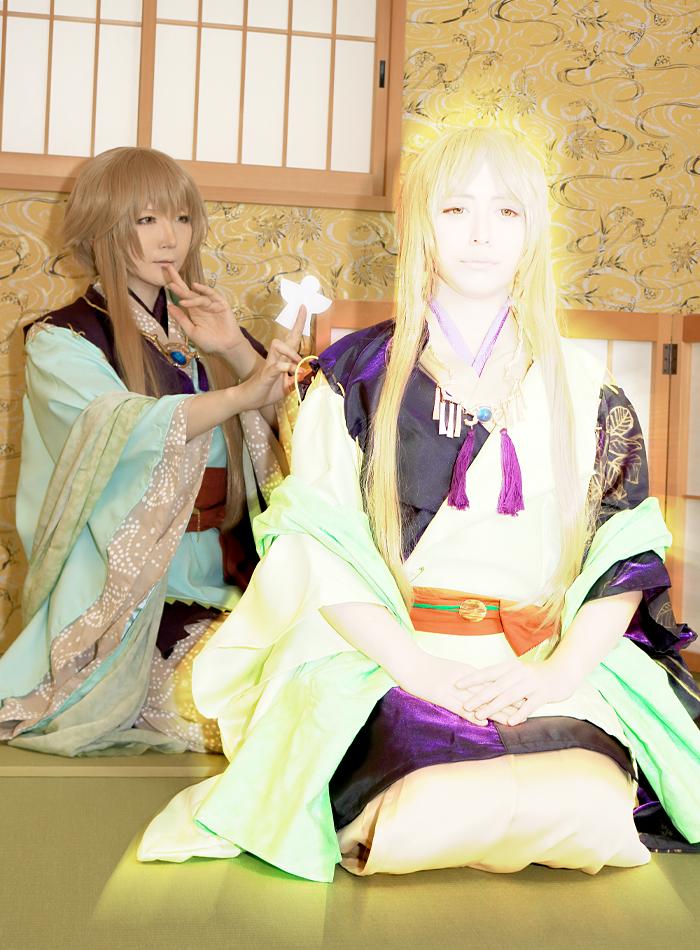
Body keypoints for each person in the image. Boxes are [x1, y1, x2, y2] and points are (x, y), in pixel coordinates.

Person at [138, 128, 700, 880]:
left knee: (586, 805)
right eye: (455, 209)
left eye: (507, 212)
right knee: (428, 809)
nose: (481, 233)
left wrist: (559, 674)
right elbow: (316, 549)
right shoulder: (353, 376)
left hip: (538, 660)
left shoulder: (588, 385)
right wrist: (422, 671)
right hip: (393, 656)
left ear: (534, 231)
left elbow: (623, 556)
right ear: (420, 225)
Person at [0, 147, 304, 757]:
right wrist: (238, 394)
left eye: (183, 218)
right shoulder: (61, 339)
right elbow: (118, 430)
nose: (170, 237)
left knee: (312, 685)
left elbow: (298, 433)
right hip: (131, 593)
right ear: (101, 227)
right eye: (146, 220)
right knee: (233, 714)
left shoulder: (205, 323)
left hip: (231, 576)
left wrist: (235, 350)